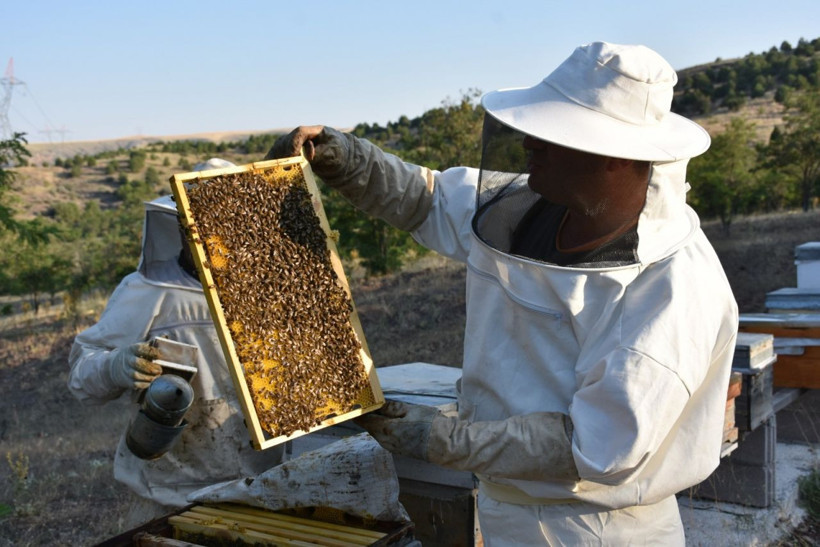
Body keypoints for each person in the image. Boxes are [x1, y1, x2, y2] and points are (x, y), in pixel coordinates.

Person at [267, 42, 739, 544]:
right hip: (505, 506)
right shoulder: (531, 205)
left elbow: (599, 447)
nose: (528, 143)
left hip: (595, 529)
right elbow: (428, 201)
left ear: (614, 160)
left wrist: (443, 438)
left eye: (552, 134)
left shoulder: (672, 290)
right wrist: (350, 161)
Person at [67, 159, 284, 529]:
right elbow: (81, 377)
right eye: (203, 220)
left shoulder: (267, 289)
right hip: (169, 497)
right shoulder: (147, 291)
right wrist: (115, 365)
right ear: (181, 225)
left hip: (261, 488)